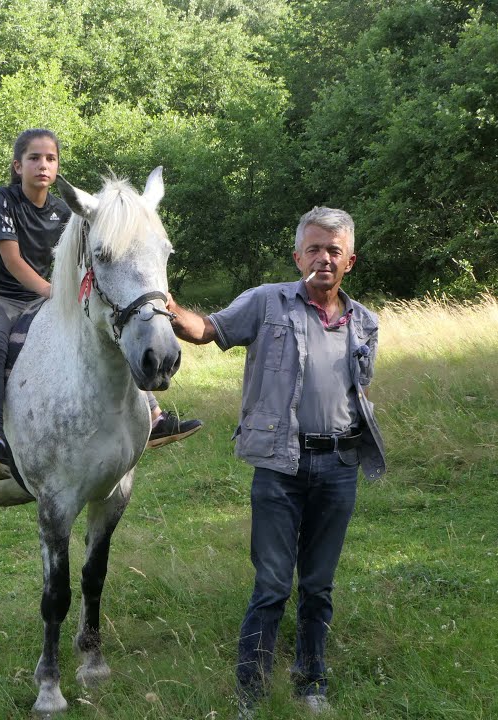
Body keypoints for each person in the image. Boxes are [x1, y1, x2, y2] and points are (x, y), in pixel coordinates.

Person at [164, 207, 386, 716]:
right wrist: (167, 307)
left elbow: (360, 390)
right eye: (314, 249)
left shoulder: (365, 323)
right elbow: (207, 330)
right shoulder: (267, 303)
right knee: (270, 586)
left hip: (338, 468)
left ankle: (312, 685)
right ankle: (251, 694)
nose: (323, 258)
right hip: (280, 468)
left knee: (317, 586)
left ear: (349, 260)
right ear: (297, 256)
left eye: (334, 250)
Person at [0, 128, 203, 481]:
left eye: (50, 158)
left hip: (43, 296)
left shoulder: (63, 210)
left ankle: (153, 417)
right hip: (0, 297)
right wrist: (54, 293)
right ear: (18, 166)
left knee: (109, 328)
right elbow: (13, 261)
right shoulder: (2, 200)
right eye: (34, 158)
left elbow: (83, 260)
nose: (43, 165)